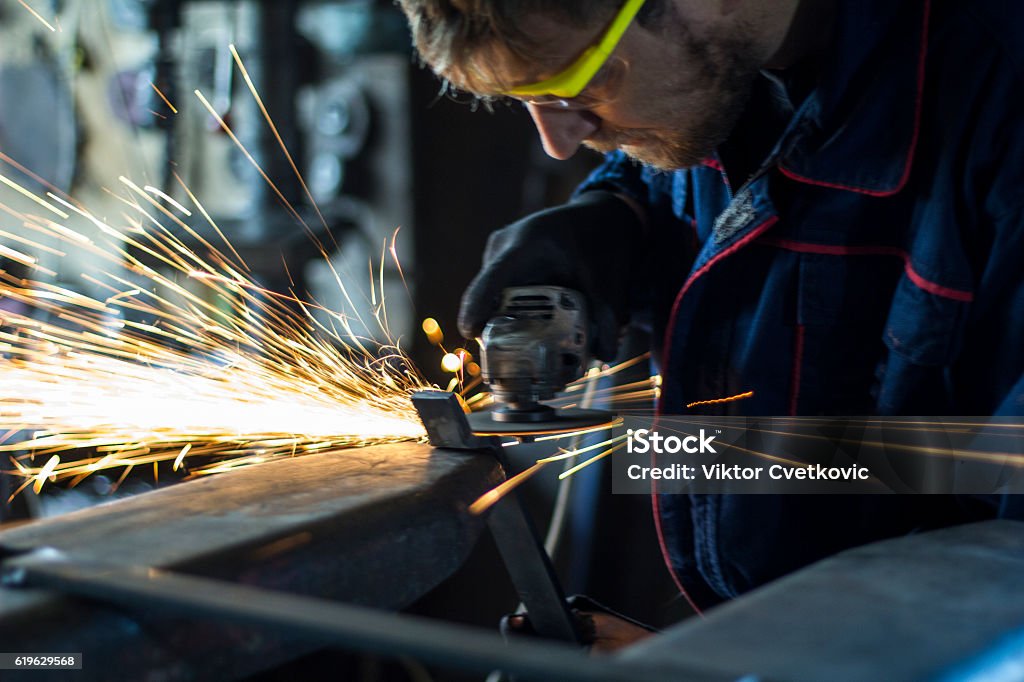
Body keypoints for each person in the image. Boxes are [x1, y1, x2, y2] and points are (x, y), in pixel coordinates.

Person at [397, 0, 1024, 638]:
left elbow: (1002, 536)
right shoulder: (726, 67)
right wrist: (618, 213)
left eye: (575, 85)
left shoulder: (998, 100)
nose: (558, 144)